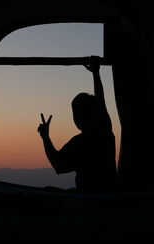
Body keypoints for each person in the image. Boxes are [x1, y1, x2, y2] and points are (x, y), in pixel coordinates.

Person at [37, 56, 117, 194]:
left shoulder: (80, 143)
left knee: (46, 192)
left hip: (90, 201)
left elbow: (58, 165)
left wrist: (45, 137)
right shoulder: (105, 131)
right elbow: (101, 100)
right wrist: (96, 73)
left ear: (77, 117)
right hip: (110, 196)